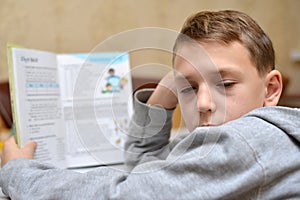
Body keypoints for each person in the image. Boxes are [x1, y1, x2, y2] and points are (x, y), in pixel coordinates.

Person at [1, 10, 300, 199]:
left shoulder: (250, 139)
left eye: (225, 84)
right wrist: (164, 93)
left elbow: (125, 194)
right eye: (190, 87)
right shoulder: (211, 141)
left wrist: (17, 170)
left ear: (271, 89)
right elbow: (144, 169)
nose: (204, 103)